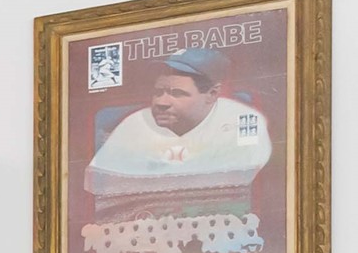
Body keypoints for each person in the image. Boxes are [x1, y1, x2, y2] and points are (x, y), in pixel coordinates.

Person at [85, 47, 270, 200]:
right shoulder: (135, 123)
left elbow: (237, 180)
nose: (161, 102)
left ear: (212, 94)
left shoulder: (242, 119)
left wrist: (148, 173)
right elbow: (97, 183)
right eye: (158, 92)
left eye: (177, 93)